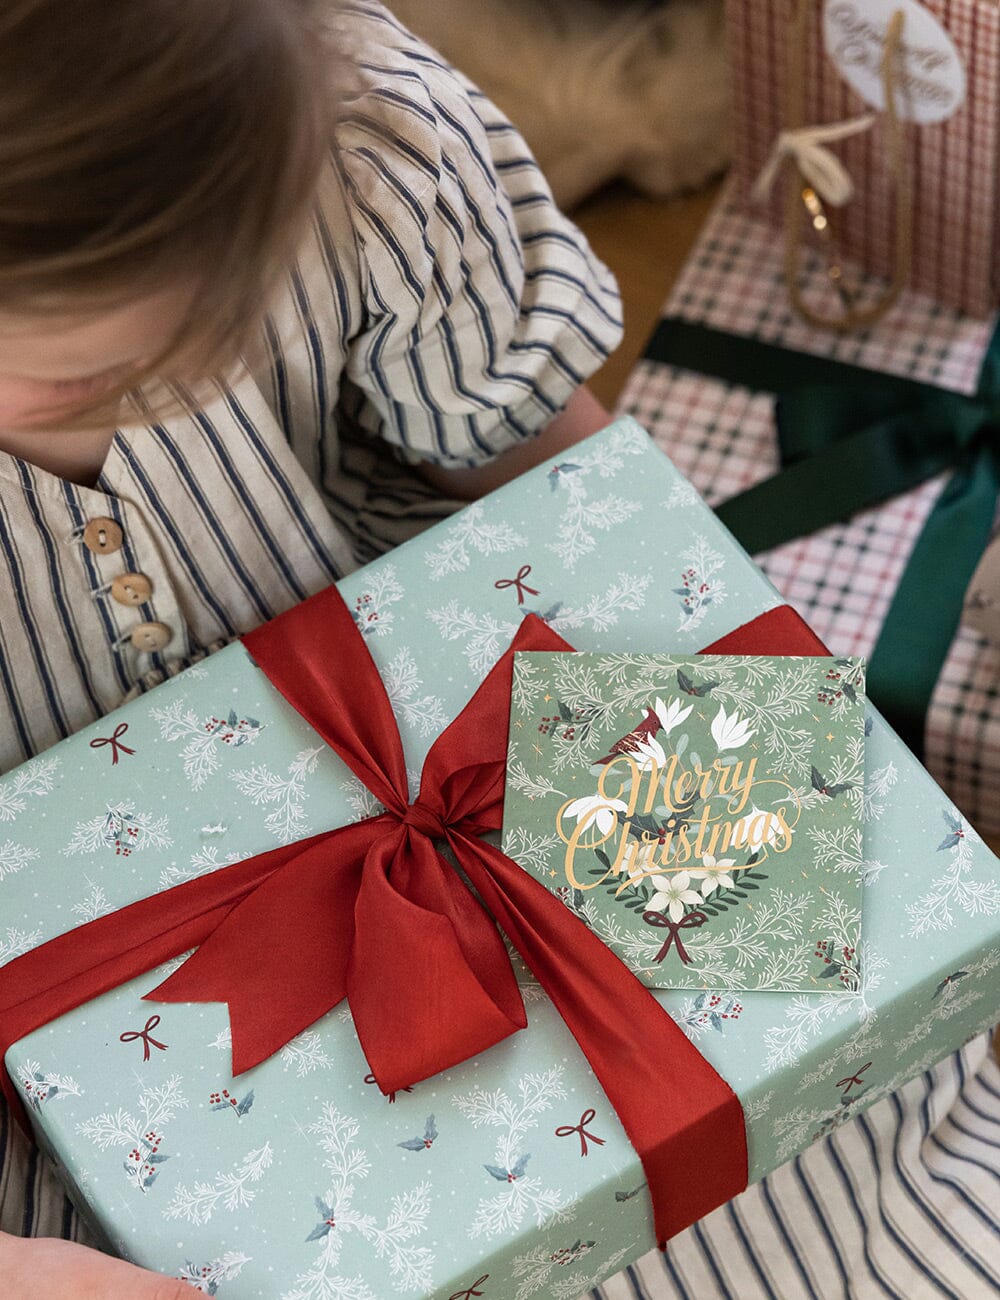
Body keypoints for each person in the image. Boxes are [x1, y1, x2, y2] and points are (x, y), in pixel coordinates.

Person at [0, 0, 619, 1293]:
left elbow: (559, 479)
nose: (202, 370)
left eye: (239, 303)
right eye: (94, 373)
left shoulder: (356, 118)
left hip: (456, 787)